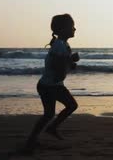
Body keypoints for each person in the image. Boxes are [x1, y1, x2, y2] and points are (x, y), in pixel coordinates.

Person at [24, 14, 80, 152]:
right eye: (72, 26)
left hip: (48, 85)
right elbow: (58, 66)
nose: (75, 29)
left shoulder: (63, 44)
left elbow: (61, 64)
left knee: (49, 114)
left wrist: (70, 62)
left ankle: (32, 141)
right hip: (51, 86)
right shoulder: (60, 45)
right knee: (71, 105)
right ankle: (51, 128)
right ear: (62, 29)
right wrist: (70, 61)